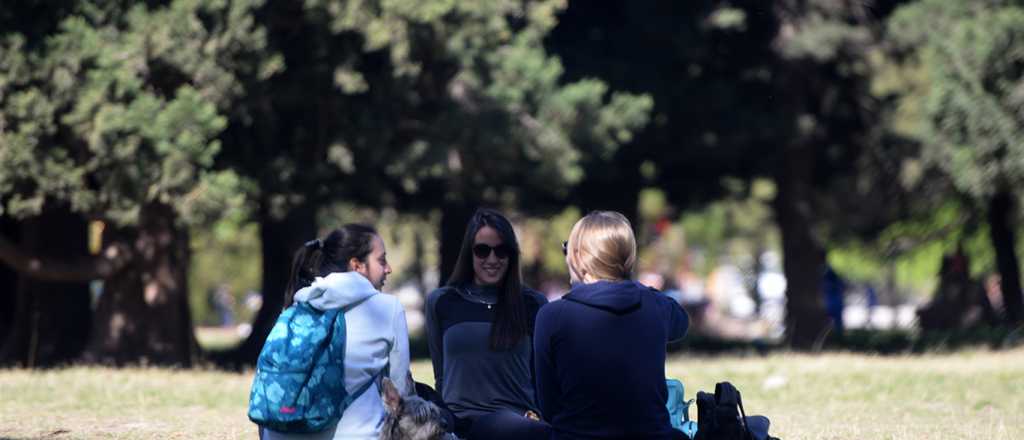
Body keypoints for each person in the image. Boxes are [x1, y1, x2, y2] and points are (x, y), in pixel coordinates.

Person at [534, 211, 689, 440]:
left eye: (567, 248)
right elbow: (682, 323)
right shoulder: (656, 305)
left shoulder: (552, 316)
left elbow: (547, 405)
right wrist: (629, 282)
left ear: (579, 258)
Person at [262, 224, 412, 440]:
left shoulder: (300, 302)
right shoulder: (388, 308)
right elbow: (400, 395)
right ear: (357, 265)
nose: (388, 268)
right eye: (381, 260)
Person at [425, 208, 549, 439]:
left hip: (518, 428)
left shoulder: (533, 304)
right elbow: (441, 375)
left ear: (511, 255)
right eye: (482, 251)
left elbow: (542, 377)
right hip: (460, 428)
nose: (492, 259)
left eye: (501, 251)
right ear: (469, 254)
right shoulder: (442, 301)